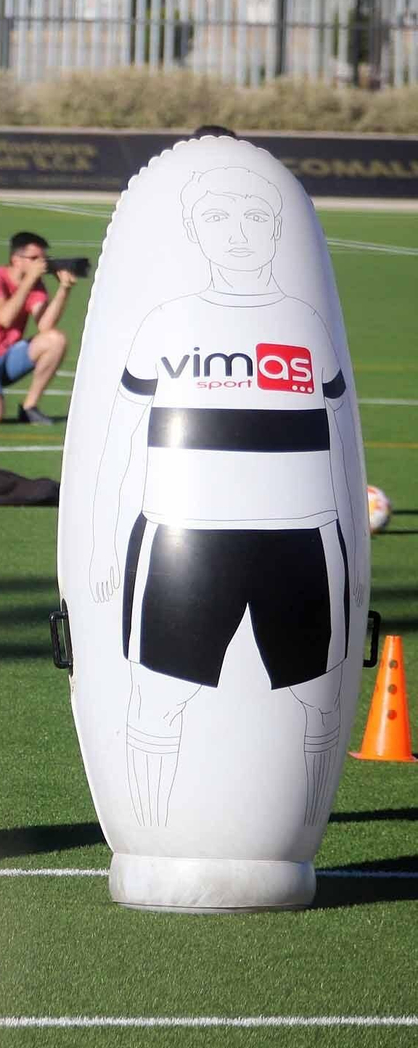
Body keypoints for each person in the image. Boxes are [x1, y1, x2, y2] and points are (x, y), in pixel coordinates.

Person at [87, 166, 364, 827]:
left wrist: (350, 550)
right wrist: (102, 545)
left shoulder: (304, 323)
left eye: (253, 218)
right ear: (193, 232)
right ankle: (152, 838)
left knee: (318, 702)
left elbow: (340, 439)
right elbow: (120, 443)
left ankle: (294, 833)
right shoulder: (165, 325)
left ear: (275, 231)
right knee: (156, 696)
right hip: (187, 537)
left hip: (303, 539)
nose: (237, 233)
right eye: (217, 218)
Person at [0, 231, 73, 426]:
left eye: (43, 258)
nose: (41, 264)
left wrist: (64, 289)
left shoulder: (36, 284)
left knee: (55, 339)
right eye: (34, 258)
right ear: (16, 260)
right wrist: (28, 281)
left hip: (9, 356)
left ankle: (29, 407)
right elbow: (5, 318)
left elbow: (45, 326)